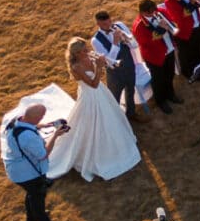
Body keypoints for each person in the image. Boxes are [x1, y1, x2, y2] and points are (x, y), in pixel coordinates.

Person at [49, 39, 142, 181]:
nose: (87, 52)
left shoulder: (87, 57)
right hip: (90, 96)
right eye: (84, 51)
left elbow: (98, 79)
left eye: (86, 49)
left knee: (111, 116)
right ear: (77, 53)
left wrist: (102, 63)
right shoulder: (76, 67)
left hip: (100, 93)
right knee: (93, 123)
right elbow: (93, 84)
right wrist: (99, 67)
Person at [0, 101, 70, 221]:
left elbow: (32, 125)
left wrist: (49, 125)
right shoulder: (28, 137)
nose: (43, 118)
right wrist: (55, 135)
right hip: (27, 173)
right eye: (42, 116)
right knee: (38, 196)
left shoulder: (18, 120)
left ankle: (31, 218)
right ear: (35, 117)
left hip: (16, 170)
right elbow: (43, 155)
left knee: (31, 193)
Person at [134, 0, 180, 113]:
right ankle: (161, 101)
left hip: (168, 49)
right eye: (150, 13)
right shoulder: (139, 25)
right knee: (158, 79)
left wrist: (170, 24)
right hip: (154, 56)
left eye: (154, 11)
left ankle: (170, 94)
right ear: (142, 12)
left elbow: (172, 22)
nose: (154, 14)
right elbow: (147, 42)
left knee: (170, 73)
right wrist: (161, 28)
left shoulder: (160, 12)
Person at [92, 10, 140, 119]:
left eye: (109, 22)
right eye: (104, 24)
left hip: (129, 65)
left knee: (130, 91)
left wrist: (127, 40)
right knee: (115, 98)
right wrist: (115, 42)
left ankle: (131, 113)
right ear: (98, 24)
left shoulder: (120, 25)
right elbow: (109, 61)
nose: (109, 25)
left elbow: (135, 45)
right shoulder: (95, 40)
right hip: (115, 74)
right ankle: (117, 119)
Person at [161, 0, 200, 76]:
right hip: (184, 31)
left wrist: (197, 0)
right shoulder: (170, 0)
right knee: (187, 54)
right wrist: (192, 2)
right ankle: (189, 73)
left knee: (198, 49)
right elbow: (183, 15)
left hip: (197, 25)